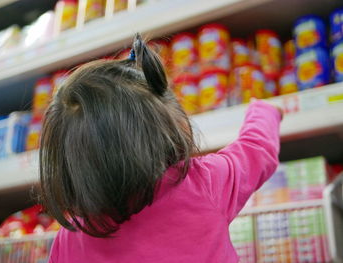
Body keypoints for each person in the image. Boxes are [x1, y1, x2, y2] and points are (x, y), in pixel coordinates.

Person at [40, 34, 282, 263]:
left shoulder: (72, 235)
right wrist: (265, 111)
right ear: (170, 124)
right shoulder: (204, 182)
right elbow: (257, 149)